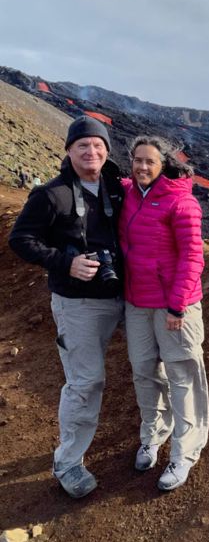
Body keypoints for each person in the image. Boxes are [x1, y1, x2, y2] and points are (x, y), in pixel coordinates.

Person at [8, 116, 125, 498]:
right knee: (86, 382)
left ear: (107, 150)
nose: (91, 151)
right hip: (78, 303)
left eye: (98, 145)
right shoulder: (50, 194)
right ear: (69, 150)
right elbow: (21, 239)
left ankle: (153, 440)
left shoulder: (117, 187)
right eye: (82, 145)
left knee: (150, 369)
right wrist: (65, 262)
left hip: (127, 295)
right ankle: (69, 462)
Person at [119, 136, 209, 491]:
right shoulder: (128, 192)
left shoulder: (181, 202)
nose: (142, 166)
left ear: (163, 165)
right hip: (137, 302)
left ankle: (184, 452)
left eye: (150, 161)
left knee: (182, 375)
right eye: (138, 160)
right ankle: (153, 435)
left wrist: (177, 305)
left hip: (174, 306)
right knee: (143, 371)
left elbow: (193, 257)